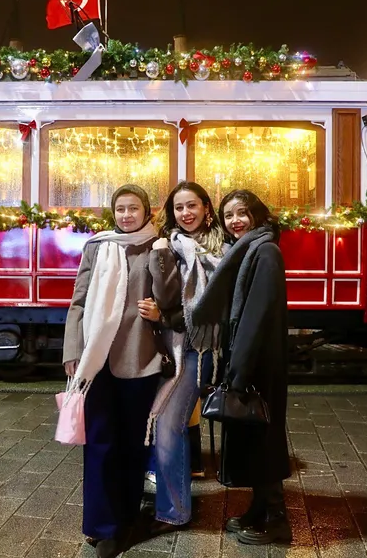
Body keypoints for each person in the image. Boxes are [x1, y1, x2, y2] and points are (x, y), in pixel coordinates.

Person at [62, 184, 180, 558]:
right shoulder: (98, 246)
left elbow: (169, 298)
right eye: (120, 209)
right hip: (96, 360)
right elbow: (79, 301)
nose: (127, 215)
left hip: (140, 358)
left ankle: (126, 516)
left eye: (133, 208)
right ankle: (101, 526)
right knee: (99, 443)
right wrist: (72, 350)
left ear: (147, 211)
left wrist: (160, 255)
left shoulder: (159, 247)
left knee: (132, 445)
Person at [191, 189, 291, 546]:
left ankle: (277, 521)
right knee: (253, 438)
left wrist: (240, 371)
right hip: (251, 359)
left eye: (242, 213)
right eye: (229, 215)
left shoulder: (265, 252)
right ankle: (258, 510)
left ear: (257, 215)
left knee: (265, 439)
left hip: (260, 363)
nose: (236, 220)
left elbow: (256, 316)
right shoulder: (249, 249)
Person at [142, 181, 225, 534]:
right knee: (165, 424)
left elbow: (213, 308)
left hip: (197, 349)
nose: (186, 213)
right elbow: (162, 293)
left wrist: (165, 317)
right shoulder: (168, 244)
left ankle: (174, 511)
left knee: (168, 425)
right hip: (165, 349)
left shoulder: (222, 249)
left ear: (206, 208)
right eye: (179, 207)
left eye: (192, 205)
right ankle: (171, 501)